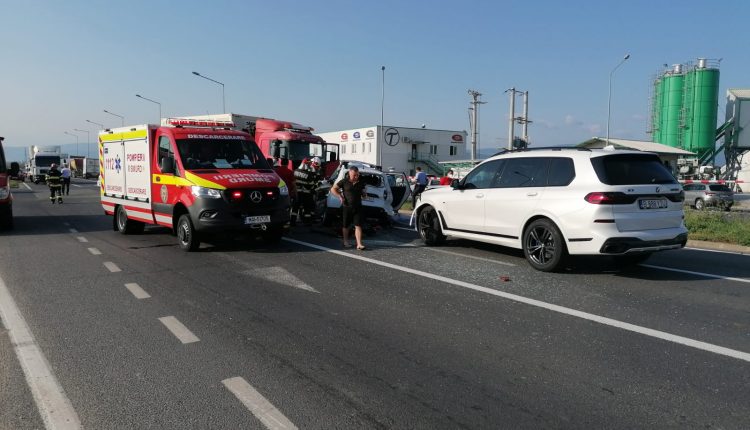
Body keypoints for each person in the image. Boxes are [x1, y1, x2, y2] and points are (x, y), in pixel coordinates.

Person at [332, 165, 367, 250]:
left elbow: (364, 193)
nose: (356, 177)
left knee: (358, 225)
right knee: (346, 225)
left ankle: (359, 244)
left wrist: (364, 195)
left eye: (357, 175)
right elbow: (333, 189)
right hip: (347, 207)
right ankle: (345, 242)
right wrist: (340, 196)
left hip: (358, 207)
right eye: (354, 175)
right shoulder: (344, 181)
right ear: (349, 173)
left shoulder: (361, 182)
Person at [293, 157, 322, 225]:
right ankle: (307, 221)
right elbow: (311, 183)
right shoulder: (308, 173)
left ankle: (293, 221)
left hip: (297, 192)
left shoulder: (295, 171)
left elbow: (293, 181)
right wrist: (315, 187)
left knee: (296, 207)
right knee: (307, 207)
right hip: (307, 192)